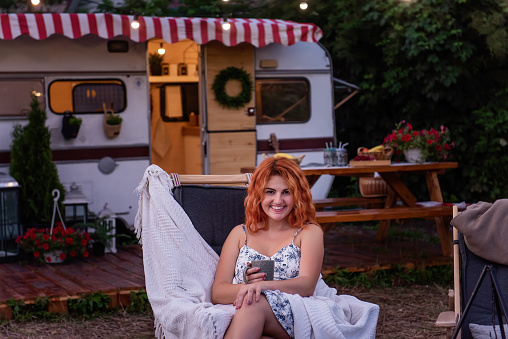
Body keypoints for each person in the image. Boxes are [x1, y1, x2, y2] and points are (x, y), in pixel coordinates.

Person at [211, 156, 324, 339]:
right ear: (258, 194)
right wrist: (248, 286)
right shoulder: (240, 234)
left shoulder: (309, 232)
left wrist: (262, 287)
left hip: (292, 312)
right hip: (247, 314)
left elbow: (306, 286)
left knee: (252, 303)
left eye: (286, 192)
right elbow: (218, 292)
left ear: (298, 195)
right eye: (270, 192)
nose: (278, 200)